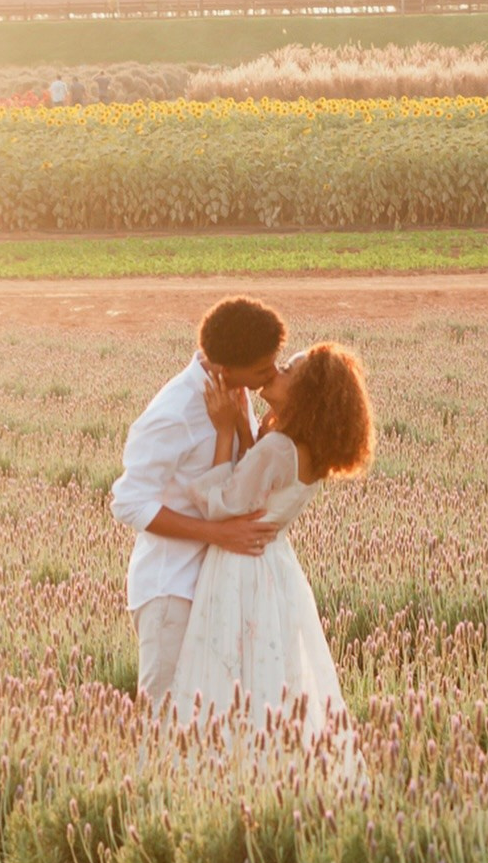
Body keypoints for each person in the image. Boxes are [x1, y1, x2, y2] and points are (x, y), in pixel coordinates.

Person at [169, 342, 375, 743]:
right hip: (275, 567)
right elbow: (258, 492)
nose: (275, 371)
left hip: (239, 567)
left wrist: (225, 432)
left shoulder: (279, 448)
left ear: (306, 396)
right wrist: (249, 436)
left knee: (228, 676)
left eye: (287, 371)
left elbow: (224, 504)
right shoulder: (307, 452)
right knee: (268, 675)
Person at [110, 297, 286, 707]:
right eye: (262, 369)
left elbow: (241, 481)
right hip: (171, 590)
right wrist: (217, 533)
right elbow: (129, 503)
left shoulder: (233, 394)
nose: (271, 375)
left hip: (217, 584)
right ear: (225, 369)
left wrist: (241, 429)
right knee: (166, 718)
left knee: (212, 720)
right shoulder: (173, 413)